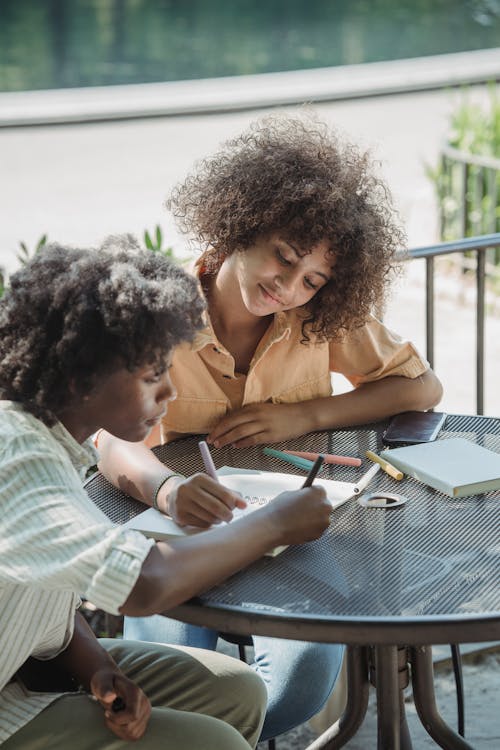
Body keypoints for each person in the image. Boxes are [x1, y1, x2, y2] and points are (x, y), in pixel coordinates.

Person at [97, 116, 443, 741]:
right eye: (283, 258)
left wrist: (306, 414)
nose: (288, 288)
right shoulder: (160, 307)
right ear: (240, 225)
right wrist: (167, 490)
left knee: (300, 682)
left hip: (294, 531)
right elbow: (114, 440)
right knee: (168, 677)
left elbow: (420, 388)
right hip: (180, 529)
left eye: (313, 279)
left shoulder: (321, 318)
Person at [0, 236, 333, 750]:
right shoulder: (18, 455)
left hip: (26, 665)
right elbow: (144, 586)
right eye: (154, 376)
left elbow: (46, 606)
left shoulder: (62, 442)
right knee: (212, 742)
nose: (170, 394)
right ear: (84, 376)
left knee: (238, 689)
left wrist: (100, 671)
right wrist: (272, 524)